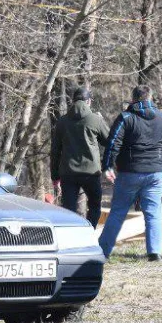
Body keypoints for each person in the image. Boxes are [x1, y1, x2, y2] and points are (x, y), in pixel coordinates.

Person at [97, 85, 162, 261]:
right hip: (155, 171)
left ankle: (103, 251)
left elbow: (113, 144)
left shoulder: (126, 118)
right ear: (151, 98)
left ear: (133, 99)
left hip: (129, 171)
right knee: (154, 212)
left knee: (118, 211)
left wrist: (107, 166)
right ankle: (155, 252)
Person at [50, 87, 111, 226]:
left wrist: (55, 177)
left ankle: (71, 238)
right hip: (91, 173)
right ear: (88, 101)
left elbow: (55, 151)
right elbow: (109, 141)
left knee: (68, 210)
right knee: (95, 206)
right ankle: (89, 233)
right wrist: (101, 121)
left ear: (73, 101)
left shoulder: (62, 122)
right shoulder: (95, 119)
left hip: (68, 173)